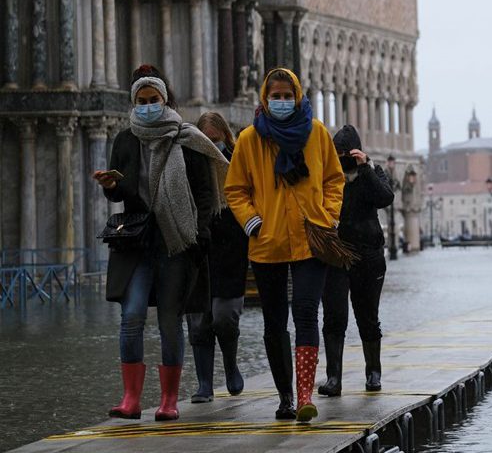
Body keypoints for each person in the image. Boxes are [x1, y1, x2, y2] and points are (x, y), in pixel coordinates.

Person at [94, 65, 227, 421]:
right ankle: (131, 398)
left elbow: (202, 191)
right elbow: (123, 192)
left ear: (164, 100)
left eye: (154, 100)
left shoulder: (186, 138)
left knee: (171, 319)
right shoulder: (125, 139)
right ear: (133, 103)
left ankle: (169, 400)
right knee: (132, 314)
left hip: (177, 241)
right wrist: (111, 186)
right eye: (142, 101)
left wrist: (198, 233)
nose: (148, 105)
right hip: (137, 240)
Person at [225, 68, 345, 422]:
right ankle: (285, 396)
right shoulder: (249, 140)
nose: (281, 102)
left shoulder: (317, 133)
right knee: (274, 321)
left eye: (286, 95)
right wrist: (252, 221)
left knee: (306, 312)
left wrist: (329, 215)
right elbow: (235, 189)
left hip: (312, 237)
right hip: (267, 240)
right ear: (265, 97)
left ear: (298, 96)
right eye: (274, 96)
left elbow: (334, 179)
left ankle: (306, 394)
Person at [319, 125, 394, 397]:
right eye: (336, 155)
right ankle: (333, 378)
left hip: (369, 255)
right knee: (334, 316)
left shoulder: (372, 173)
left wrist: (364, 169)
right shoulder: (329, 176)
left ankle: (373, 372)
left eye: (345, 155)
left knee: (368, 316)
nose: (341, 160)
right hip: (336, 255)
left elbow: (385, 197)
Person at [185, 112, 249, 403]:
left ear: (225, 137)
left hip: (230, 249)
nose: (211, 146)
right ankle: (204, 383)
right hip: (197, 248)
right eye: (205, 141)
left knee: (224, 317)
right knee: (198, 320)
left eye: (216, 140)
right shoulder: (189, 164)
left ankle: (231, 364)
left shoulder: (237, 163)